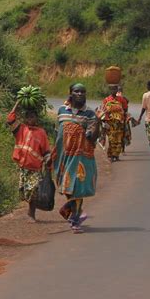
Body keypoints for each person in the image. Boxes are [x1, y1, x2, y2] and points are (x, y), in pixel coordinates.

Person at [53, 83, 99, 234]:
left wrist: (95, 126)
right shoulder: (61, 110)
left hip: (80, 157)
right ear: (70, 93)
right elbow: (57, 134)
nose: (80, 94)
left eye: (83, 92)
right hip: (63, 156)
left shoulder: (90, 114)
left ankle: (75, 219)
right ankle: (72, 211)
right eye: (76, 91)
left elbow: (93, 135)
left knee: (77, 188)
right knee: (66, 187)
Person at [7, 101, 51, 223]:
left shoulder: (41, 132)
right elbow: (10, 119)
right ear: (25, 118)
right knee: (25, 191)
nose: (30, 119)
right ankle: (29, 210)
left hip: (35, 168)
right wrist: (17, 104)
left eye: (32, 117)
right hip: (23, 166)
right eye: (28, 117)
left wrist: (48, 160)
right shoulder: (20, 129)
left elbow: (46, 150)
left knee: (33, 190)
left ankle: (31, 214)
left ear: (37, 118)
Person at [101, 85, 128, 162]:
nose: (113, 90)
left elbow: (125, 110)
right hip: (110, 123)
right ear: (110, 90)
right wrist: (104, 122)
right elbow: (103, 111)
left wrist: (123, 118)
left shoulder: (122, 100)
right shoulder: (106, 100)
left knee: (119, 139)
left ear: (117, 90)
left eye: (115, 89)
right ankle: (111, 155)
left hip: (119, 123)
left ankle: (116, 155)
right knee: (111, 139)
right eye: (112, 89)